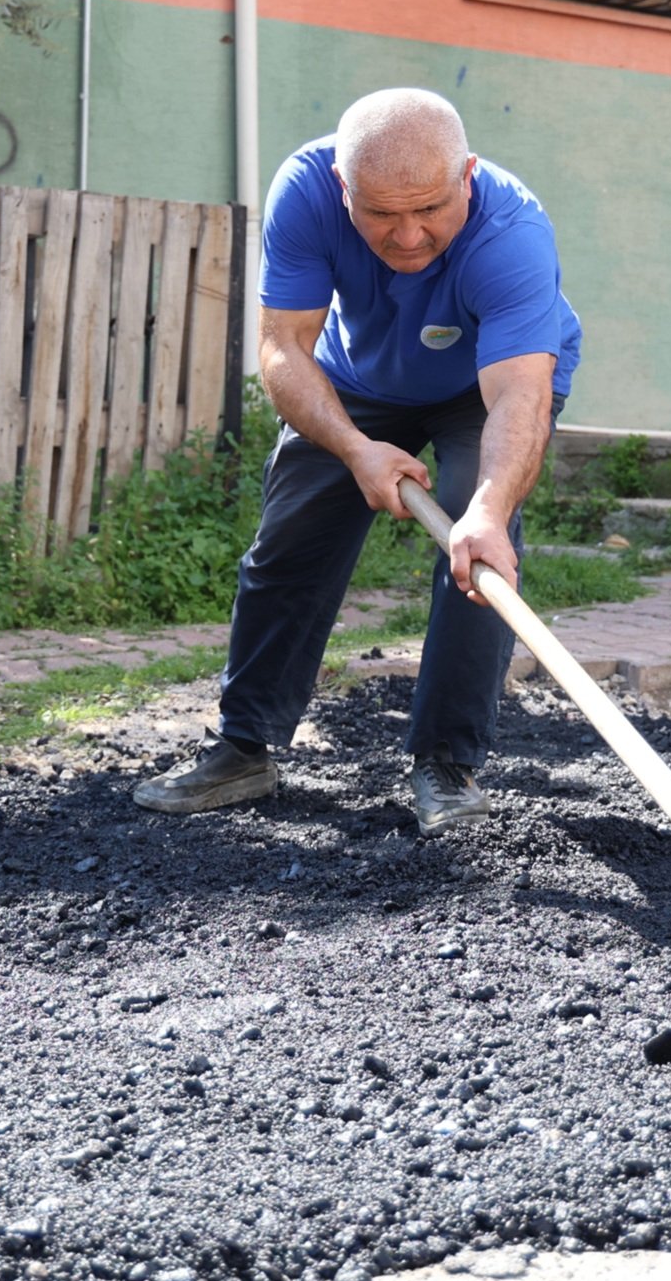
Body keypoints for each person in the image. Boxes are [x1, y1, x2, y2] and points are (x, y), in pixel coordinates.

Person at [133, 89, 584, 832]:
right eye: (380, 214)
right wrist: (354, 448)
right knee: (291, 536)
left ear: (467, 175)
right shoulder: (306, 192)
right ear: (344, 187)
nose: (408, 236)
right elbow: (283, 345)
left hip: (486, 385)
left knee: (477, 549)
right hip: (359, 380)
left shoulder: (512, 234)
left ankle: (446, 762)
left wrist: (489, 509)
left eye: (430, 209)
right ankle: (244, 748)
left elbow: (518, 394)